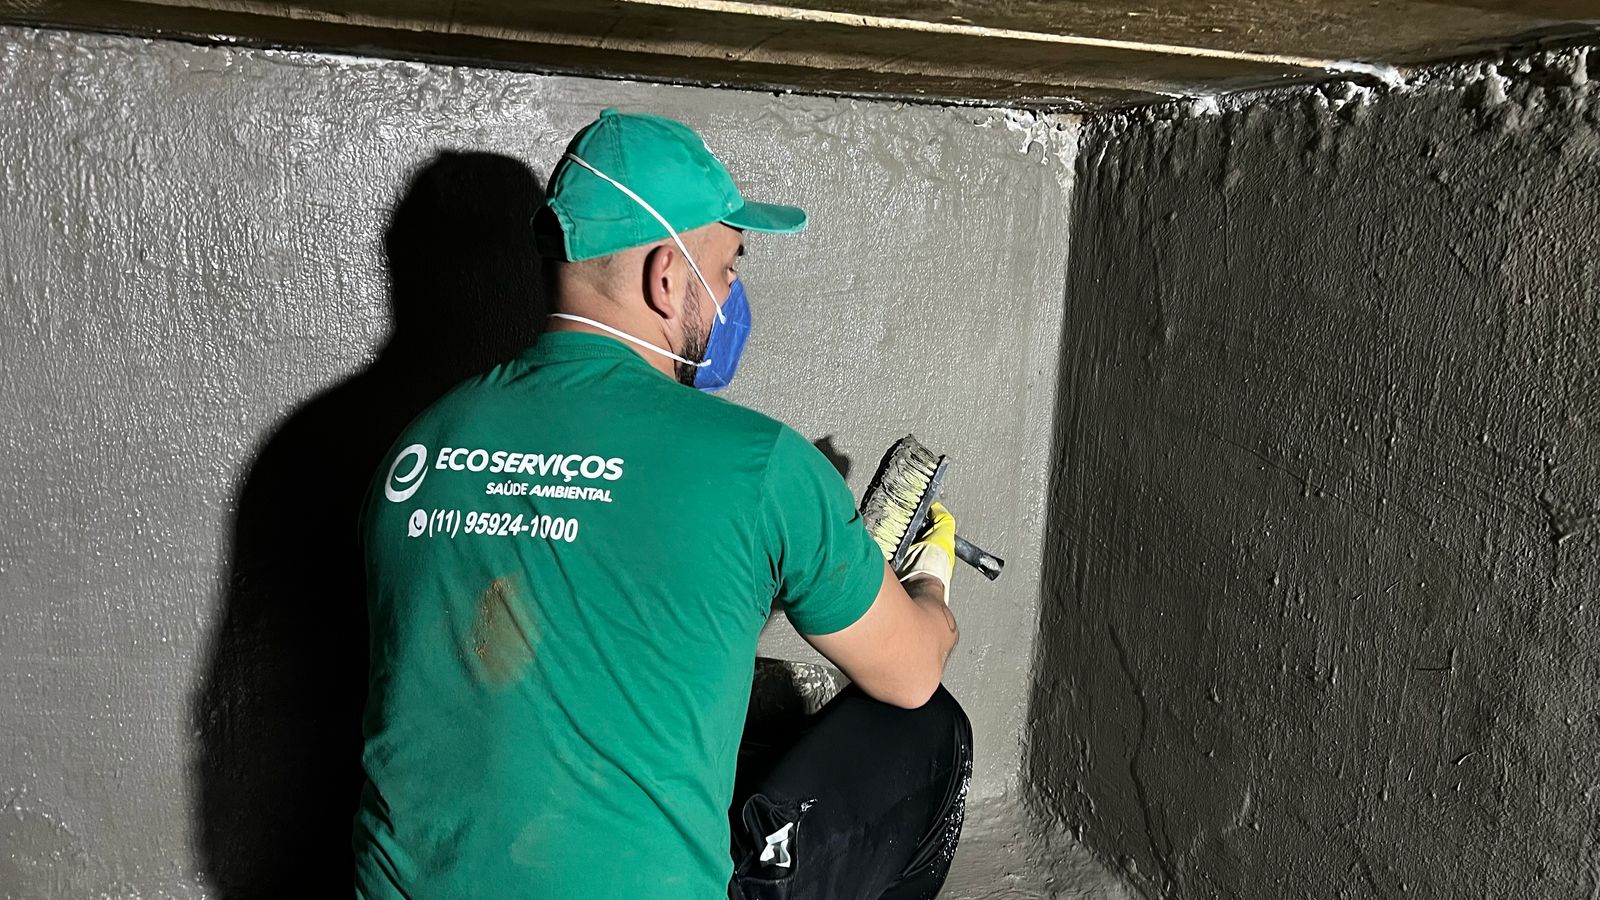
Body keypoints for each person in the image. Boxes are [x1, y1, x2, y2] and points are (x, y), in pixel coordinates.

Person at [352, 109, 971, 900]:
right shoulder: (761, 463)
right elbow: (912, 673)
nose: (733, 295)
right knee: (930, 727)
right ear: (667, 277)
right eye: (730, 269)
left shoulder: (420, 445)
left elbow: (562, 606)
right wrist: (929, 584)